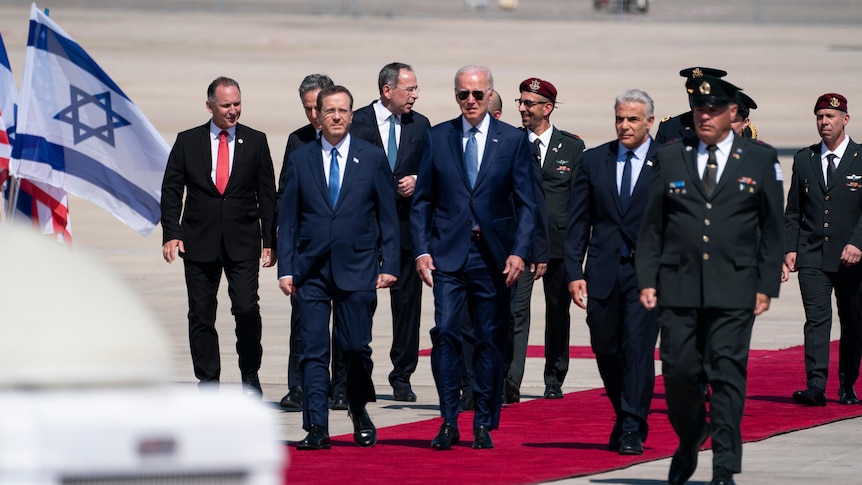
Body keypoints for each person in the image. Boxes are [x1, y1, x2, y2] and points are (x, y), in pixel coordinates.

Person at [636, 76, 784, 485]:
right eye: (699, 110)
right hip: (679, 285)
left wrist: (765, 284)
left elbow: (772, 229)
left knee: (726, 373)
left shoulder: (759, 158)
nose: (704, 116)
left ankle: (724, 466)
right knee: (680, 371)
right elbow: (652, 228)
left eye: (714, 110)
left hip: (735, 286)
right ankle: (689, 438)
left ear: (732, 114)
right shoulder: (670, 157)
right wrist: (647, 278)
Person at [412, 65, 537, 450]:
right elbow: (423, 202)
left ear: (489, 95)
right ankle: (448, 419)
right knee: (446, 333)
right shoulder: (438, 137)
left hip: (493, 256)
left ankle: (483, 420)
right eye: (462, 94)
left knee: (488, 340)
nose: (470, 101)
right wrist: (421, 249)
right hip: (449, 255)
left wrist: (519, 252)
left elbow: (528, 204)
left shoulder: (512, 140)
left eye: (477, 95)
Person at [277, 85, 399, 450]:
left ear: (350, 114)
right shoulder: (301, 159)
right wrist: (287, 268)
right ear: (317, 113)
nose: (336, 117)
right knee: (313, 351)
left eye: (343, 110)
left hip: (358, 268)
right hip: (311, 271)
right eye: (329, 110)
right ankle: (316, 426)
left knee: (355, 348)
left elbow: (388, 218)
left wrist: (389, 262)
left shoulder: (372, 157)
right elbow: (290, 219)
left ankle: (359, 410)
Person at [161, 76, 276, 396]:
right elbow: (171, 189)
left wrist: (270, 240)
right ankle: (208, 380)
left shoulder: (255, 140)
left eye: (237, 103)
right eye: (226, 105)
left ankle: (250, 373)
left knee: (246, 308)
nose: (233, 110)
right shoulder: (188, 141)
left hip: (243, 242)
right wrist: (171, 232)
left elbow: (267, 194)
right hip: (198, 241)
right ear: (210, 105)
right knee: (201, 313)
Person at [567, 89, 659, 455]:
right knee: (605, 347)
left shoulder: (667, 162)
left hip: (647, 276)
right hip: (602, 272)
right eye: (620, 118)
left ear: (649, 122)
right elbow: (577, 223)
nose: (624, 125)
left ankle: (633, 426)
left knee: (637, 348)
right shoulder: (593, 161)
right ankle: (624, 414)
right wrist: (575, 271)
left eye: (633, 119)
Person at [350, 62, 431, 403]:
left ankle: (402, 375)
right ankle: (355, 374)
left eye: (415, 89)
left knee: (408, 305)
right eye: (408, 89)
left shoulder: (421, 125)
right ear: (387, 90)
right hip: (366, 228)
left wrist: (418, 180)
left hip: (406, 230)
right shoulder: (356, 122)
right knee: (359, 302)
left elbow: (433, 171)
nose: (415, 94)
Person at [276, 74, 349, 412]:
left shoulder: (357, 140)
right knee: (303, 321)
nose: (314, 116)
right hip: (309, 250)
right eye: (307, 109)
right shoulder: (298, 141)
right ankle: (299, 386)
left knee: (347, 324)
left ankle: (342, 386)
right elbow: (286, 197)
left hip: (346, 250)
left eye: (317, 108)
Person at [785, 93, 862, 407]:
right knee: (816, 320)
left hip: (853, 258)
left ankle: (847, 384)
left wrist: (859, 242)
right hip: (813, 253)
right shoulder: (805, 158)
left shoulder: (860, 157)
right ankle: (815, 386)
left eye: (830, 116)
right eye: (819, 117)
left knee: (854, 320)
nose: (824, 122)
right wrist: (790, 249)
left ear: (845, 119)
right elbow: (793, 211)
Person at [510, 77, 582, 402]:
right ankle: (511, 379)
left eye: (529, 103)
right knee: (515, 312)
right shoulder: (510, 143)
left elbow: (581, 202)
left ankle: (554, 378)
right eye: (521, 102)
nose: (523, 108)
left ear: (547, 108)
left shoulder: (572, 147)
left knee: (557, 313)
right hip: (521, 245)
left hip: (559, 244)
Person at [460, 87, 503, 412]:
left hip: (498, 251)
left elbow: (527, 203)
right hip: (457, 250)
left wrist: (529, 251)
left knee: (491, 325)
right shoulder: (450, 140)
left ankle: (492, 388)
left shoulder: (511, 144)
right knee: (457, 326)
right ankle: (467, 388)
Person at [654, 67, 727, 145]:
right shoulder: (670, 128)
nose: (696, 100)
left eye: (703, 97)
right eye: (693, 95)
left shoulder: (731, 124)